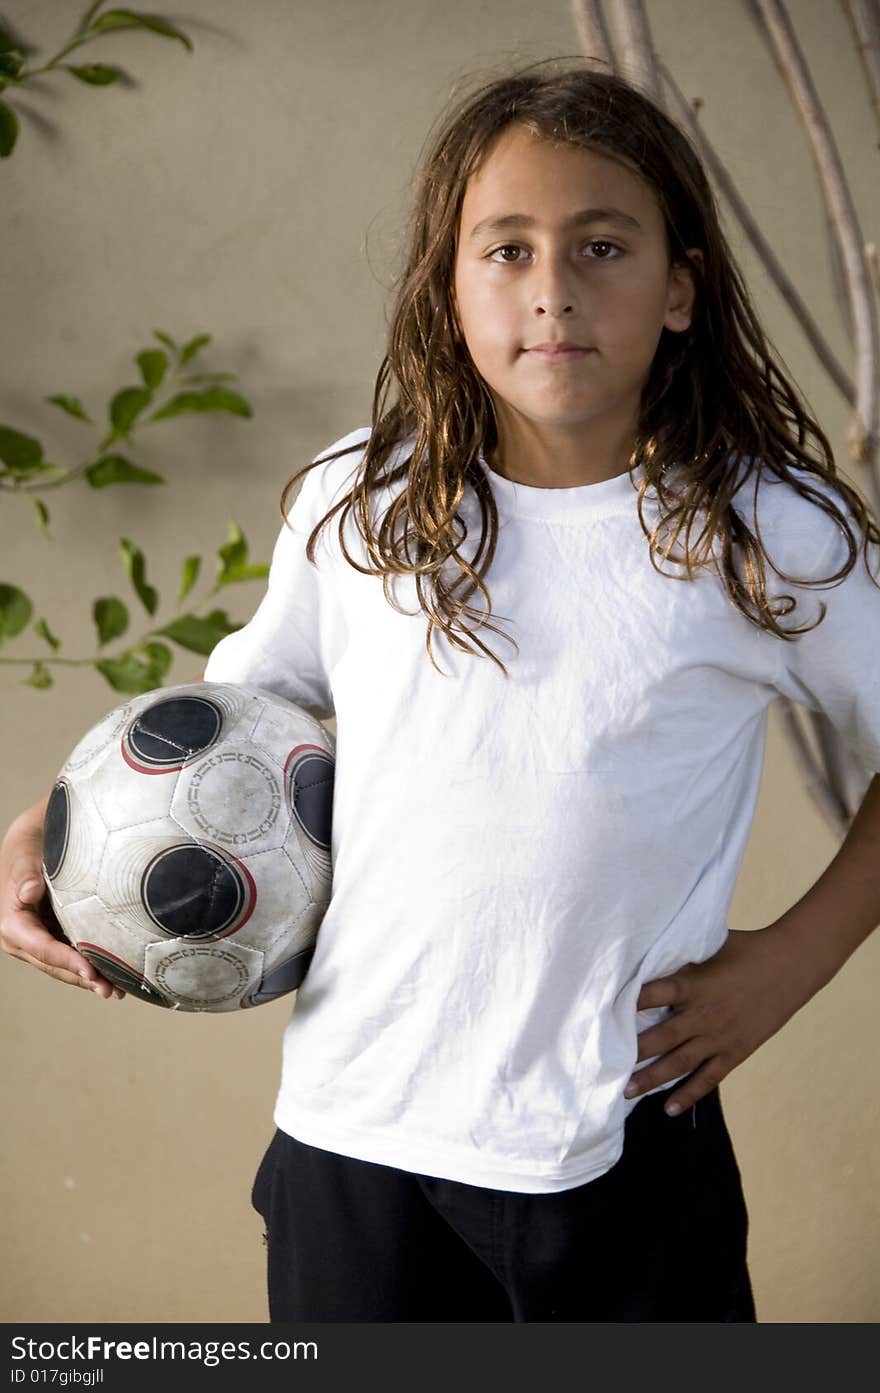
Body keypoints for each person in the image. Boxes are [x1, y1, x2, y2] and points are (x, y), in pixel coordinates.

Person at [3, 59, 880, 1324]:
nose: (553, 292)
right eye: (506, 250)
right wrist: (58, 826)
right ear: (449, 285)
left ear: (681, 287)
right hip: (354, 1142)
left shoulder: (763, 534)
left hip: (625, 1143)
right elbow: (228, 731)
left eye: (602, 246)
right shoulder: (360, 504)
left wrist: (788, 965)